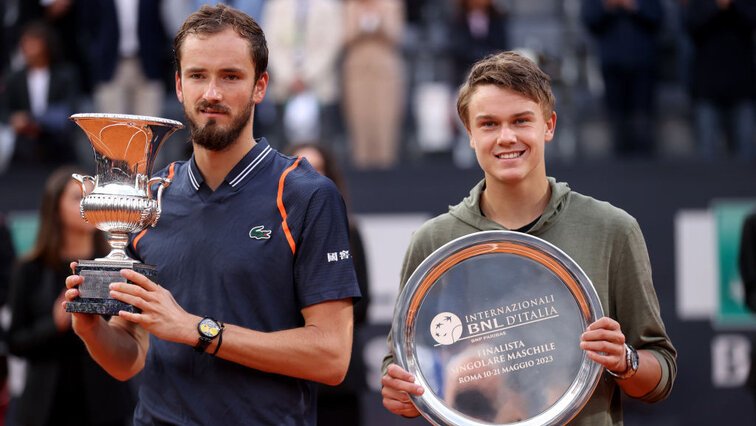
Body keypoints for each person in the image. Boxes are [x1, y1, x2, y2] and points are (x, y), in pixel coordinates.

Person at [64, 4, 360, 425]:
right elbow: (130, 359)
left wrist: (199, 330)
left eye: (230, 76)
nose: (212, 94)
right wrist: (91, 329)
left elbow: (331, 356)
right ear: (179, 87)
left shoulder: (305, 194)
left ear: (261, 87)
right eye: (198, 75)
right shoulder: (150, 197)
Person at [380, 51, 676, 424]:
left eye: (521, 121)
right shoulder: (433, 242)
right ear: (469, 134)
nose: (506, 137)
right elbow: (403, 369)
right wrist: (402, 393)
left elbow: (659, 375)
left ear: (549, 126)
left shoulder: (612, 229)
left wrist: (626, 361)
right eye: (488, 124)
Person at [8, 166, 135, 426]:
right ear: (55, 208)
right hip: (45, 406)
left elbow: (132, 337)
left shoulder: (119, 264)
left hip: (106, 405)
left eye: (92, 197)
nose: (88, 205)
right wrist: (53, 324)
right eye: (78, 198)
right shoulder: (31, 268)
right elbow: (15, 342)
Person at [285, 143, 371, 425]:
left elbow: (363, 305)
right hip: (287, 377)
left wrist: (320, 315)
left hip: (339, 383)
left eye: (318, 169)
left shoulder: (349, 230)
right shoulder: (272, 235)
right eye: (302, 169)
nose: (311, 178)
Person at [582, 0, 665, 157]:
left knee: (642, 114)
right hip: (612, 64)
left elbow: (657, 18)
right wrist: (608, 7)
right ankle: (620, 154)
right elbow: (590, 21)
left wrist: (633, 6)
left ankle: (645, 154)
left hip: (642, 62)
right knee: (616, 115)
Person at [683, 0, 756, 160]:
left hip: (741, 79)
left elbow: (751, 21)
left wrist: (732, 6)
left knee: (746, 148)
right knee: (707, 148)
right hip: (707, 79)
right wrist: (716, 7)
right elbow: (691, 25)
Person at [342, 0, 405, 169]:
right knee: (360, 124)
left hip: (385, 74)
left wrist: (378, 23)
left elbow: (396, 36)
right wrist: (361, 27)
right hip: (357, 73)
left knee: (385, 126)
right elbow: (344, 37)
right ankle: (362, 171)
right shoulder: (350, 6)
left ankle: (387, 170)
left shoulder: (391, 5)